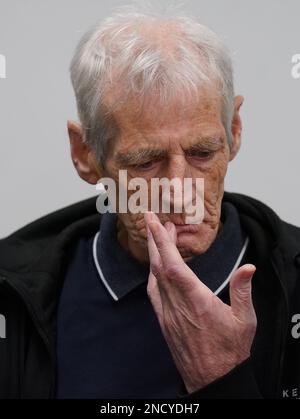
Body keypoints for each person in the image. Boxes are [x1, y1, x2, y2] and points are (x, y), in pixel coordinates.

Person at [0, 10, 300, 399]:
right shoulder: (11, 289)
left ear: (235, 132)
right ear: (86, 153)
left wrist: (224, 379)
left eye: (202, 153)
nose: (179, 191)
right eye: (146, 161)